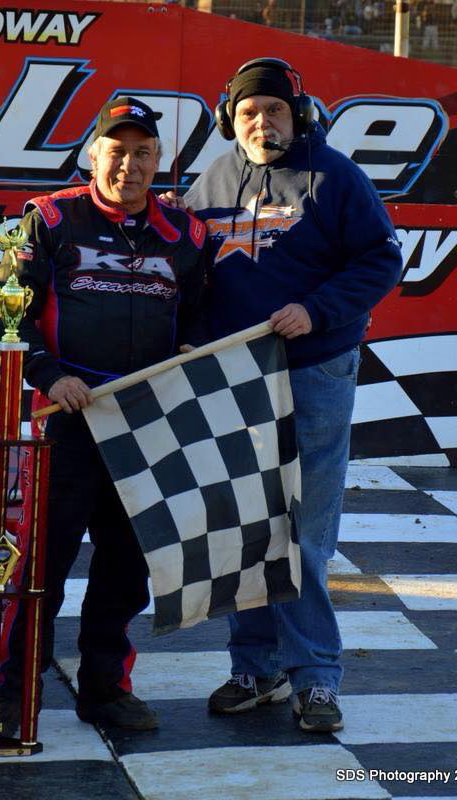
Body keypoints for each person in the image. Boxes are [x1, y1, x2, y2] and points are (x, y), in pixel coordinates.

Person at [182, 58, 403, 732]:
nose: (262, 122)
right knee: (248, 530)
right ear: (230, 120)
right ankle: (257, 668)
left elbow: (382, 258)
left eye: (274, 109)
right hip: (232, 378)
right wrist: (190, 336)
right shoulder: (210, 181)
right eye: (249, 112)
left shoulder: (335, 176)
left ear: (298, 115)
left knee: (302, 535)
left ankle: (316, 678)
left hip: (313, 370)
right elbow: (187, 273)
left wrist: (317, 309)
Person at [0, 96, 207, 733]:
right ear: (93, 156)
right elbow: (6, 315)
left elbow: (202, 314)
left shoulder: (187, 234)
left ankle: (105, 689)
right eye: (117, 151)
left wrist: (192, 349)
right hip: (65, 421)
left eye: (143, 153)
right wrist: (52, 377)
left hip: (145, 424)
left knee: (126, 567)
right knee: (41, 566)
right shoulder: (49, 218)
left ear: (159, 161)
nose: (129, 166)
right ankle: (12, 693)